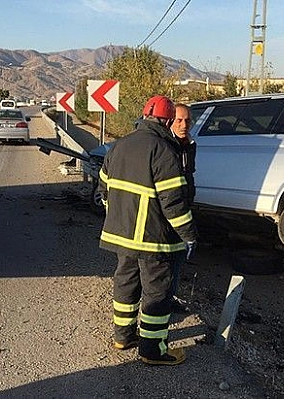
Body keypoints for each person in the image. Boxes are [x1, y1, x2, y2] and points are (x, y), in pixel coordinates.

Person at [98, 95, 198, 366]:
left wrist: (120, 219)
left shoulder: (118, 146)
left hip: (122, 236)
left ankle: (123, 337)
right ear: (166, 121)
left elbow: (103, 191)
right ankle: (152, 351)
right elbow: (174, 204)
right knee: (157, 293)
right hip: (153, 240)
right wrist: (189, 235)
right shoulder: (163, 151)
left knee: (126, 284)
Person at [168, 103, 196, 314]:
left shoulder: (190, 145)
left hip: (184, 207)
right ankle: (157, 302)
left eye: (187, 120)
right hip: (167, 211)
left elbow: (189, 175)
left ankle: (170, 297)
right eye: (179, 120)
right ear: (170, 121)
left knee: (179, 257)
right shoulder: (164, 146)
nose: (184, 124)